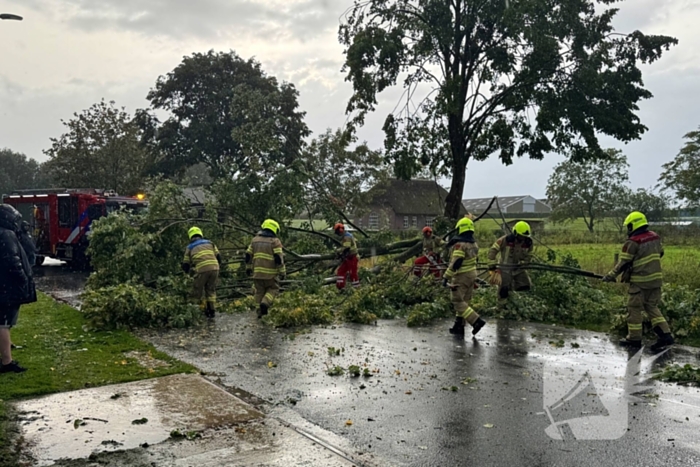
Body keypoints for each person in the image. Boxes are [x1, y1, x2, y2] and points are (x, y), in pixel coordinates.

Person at [603, 212, 673, 350]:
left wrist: (610, 276)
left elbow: (623, 263)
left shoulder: (633, 242)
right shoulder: (655, 237)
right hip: (656, 281)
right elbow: (661, 253)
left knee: (634, 308)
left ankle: (634, 339)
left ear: (632, 225)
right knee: (652, 307)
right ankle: (666, 335)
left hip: (640, 282)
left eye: (628, 226)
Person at [0, 204, 37, 374]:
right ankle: (7, 362)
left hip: (4, 284)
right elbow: (12, 260)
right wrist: (22, 278)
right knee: (4, 323)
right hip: (7, 286)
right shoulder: (6, 234)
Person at [444, 217, 486, 336]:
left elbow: (455, 263)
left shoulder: (459, 245)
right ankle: (459, 325)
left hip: (461, 276)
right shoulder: (474, 244)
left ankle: (476, 321)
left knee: (457, 300)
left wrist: (445, 277)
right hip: (472, 274)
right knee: (464, 301)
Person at [246, 219, 286, 318]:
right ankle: (265, 303)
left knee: (259, 291)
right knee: (273, 289)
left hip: (257, 274)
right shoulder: (275, 242)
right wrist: (282, 272)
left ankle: (259, 311)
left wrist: (248, 268)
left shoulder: (254, 240)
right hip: (270, 275)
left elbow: (248, 255)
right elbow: (278, 259)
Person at [487, 221, 533, 303]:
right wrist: (492, 264)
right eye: (521, 236)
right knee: (504, 289)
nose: (523, 238)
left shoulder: (528, 242)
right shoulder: (505, 240)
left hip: (519, 269)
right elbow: (493, 250)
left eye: (524, 236)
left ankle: (518, 303)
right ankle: (501, 307)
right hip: (505, 269)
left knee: (525, 285)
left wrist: (523, 263)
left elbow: (529, 255)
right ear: (515, 233)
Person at [182, 226, 221, 319]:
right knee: (211, 290)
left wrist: (186, 275)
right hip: (215, 268)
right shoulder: (210, 243)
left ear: (190, 236)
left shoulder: (189, 247)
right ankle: (212, 311)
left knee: (197, 290)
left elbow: (186, 264)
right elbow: (219, 256)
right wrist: (216, 267)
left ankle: (195, 312)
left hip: (202, 269)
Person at [334, 223, 359, 290]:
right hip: (348, 258)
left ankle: (356, 288)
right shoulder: (347, 236)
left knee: (352, 273)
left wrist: (338, 251)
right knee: (341, 271)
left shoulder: (347, 237)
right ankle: (340, 287)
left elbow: (346, 247)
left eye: (338, 232)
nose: (338, 234)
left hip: (352, 258)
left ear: (341, 230)